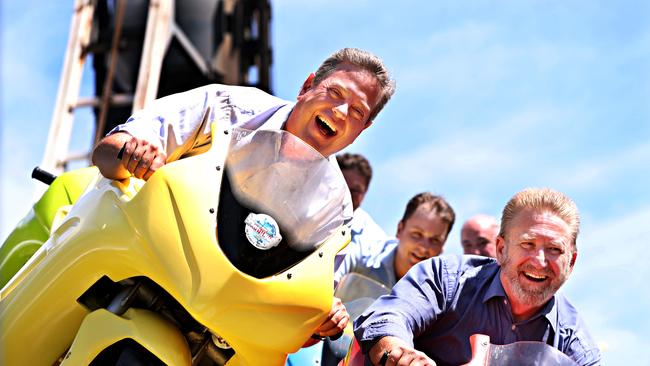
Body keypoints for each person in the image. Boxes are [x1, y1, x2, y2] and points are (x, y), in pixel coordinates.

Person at [91, 47, 396, 341]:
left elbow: (301, 319)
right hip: (133, 269)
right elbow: (110, 150)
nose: (341, 112)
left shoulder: (337, 210)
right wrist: (132, 152)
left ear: (363, 128)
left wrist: (322, 322)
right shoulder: (227, 108)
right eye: (335, 92)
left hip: (220, 326)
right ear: (307, 86)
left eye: (357, 111)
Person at [354, 188, 601, 366]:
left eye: (555, 250)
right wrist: (400, 353)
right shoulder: (446, 278)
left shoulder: (575, 345)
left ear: (572, 261)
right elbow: (390, 316)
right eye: (527, 244)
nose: (539, 261)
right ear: (501, 249)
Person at [335, 192, 455, 289]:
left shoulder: (440, 292)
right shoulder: (363, 254)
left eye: (434, 240)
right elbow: (331, 278)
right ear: (399, 230)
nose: (424, 247)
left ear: (442, 246)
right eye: (417, 234)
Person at [336, 153, 387, 262]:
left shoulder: (374, 241)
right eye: (342, 186)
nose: (347, 195)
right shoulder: (304, 211)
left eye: (355, 191)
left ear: (365, 193)